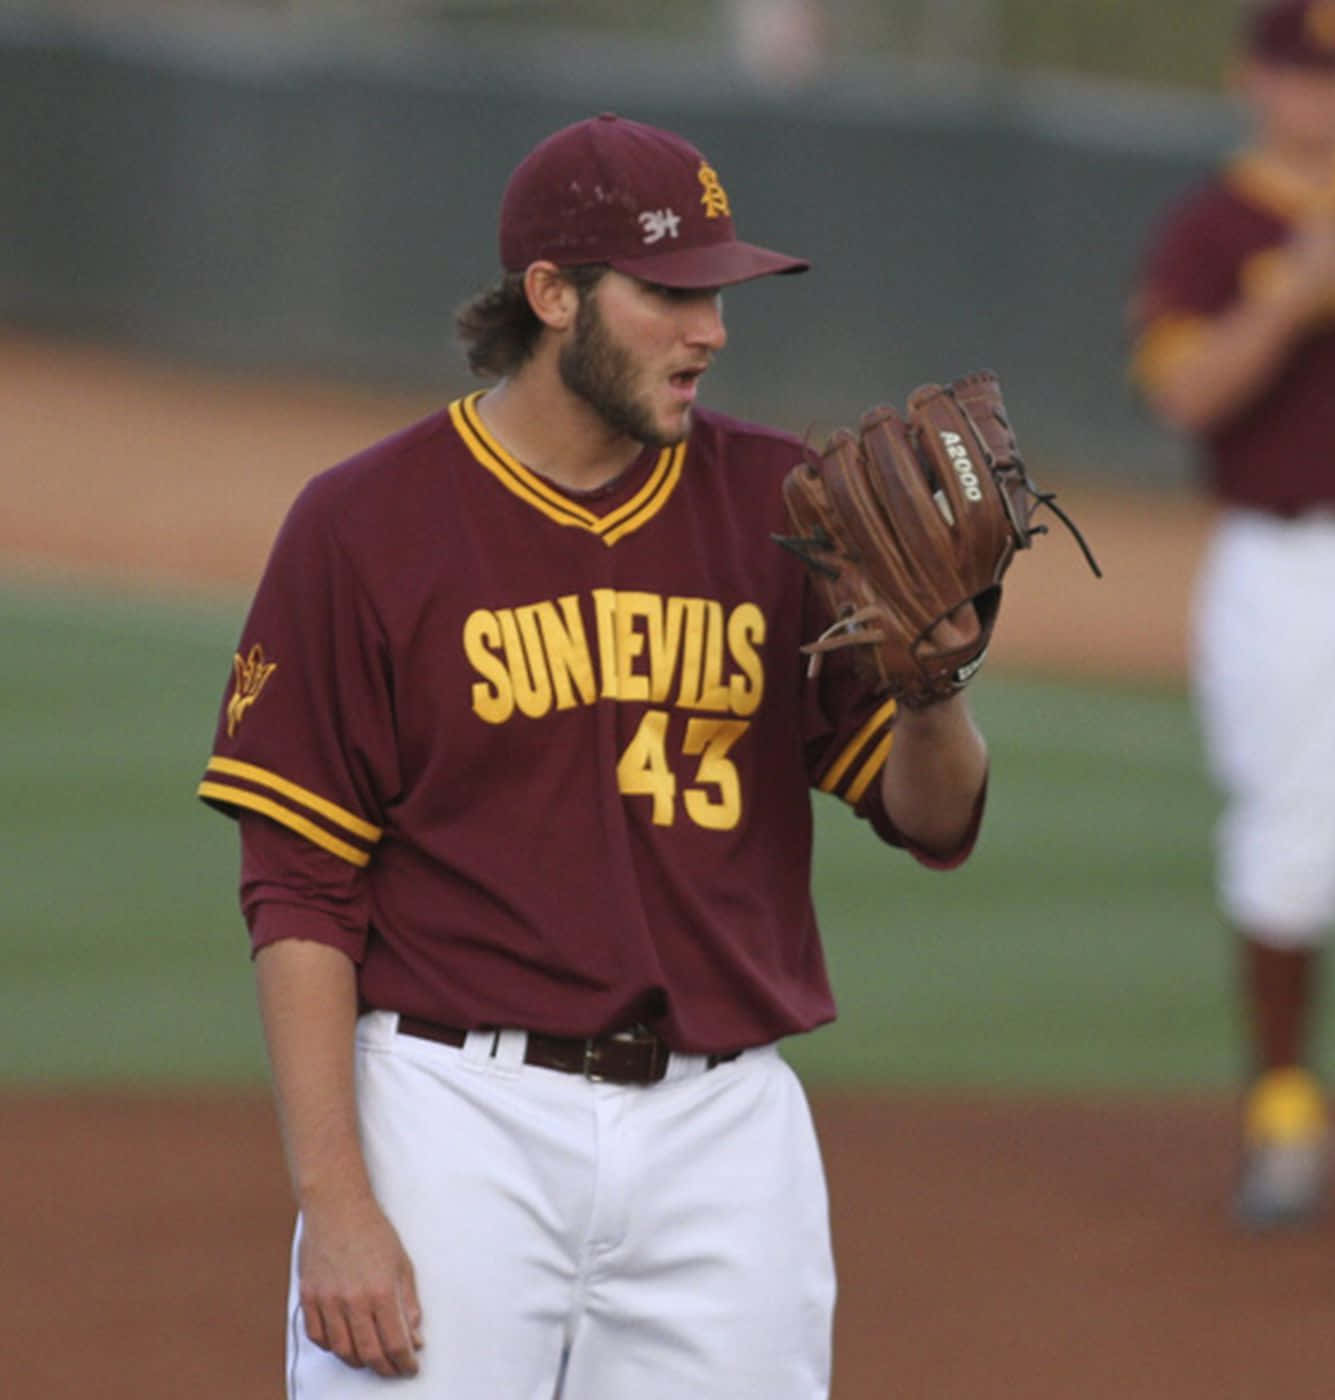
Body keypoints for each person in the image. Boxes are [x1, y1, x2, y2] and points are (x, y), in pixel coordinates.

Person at [197, 112, 989, 1396]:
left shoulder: (785, 509)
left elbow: (933, 818)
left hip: (725, 1137)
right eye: (671, 292)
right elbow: (296, 884)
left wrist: (934, 687)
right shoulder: (365, 524)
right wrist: (335, 1200)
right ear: (552, 294)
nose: (711, 332)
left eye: (720, 293)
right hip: (457, 1114)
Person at [1129, 0, 1335, 1229]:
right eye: (1301, 73)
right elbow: (1185, 389)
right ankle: (1281, 1113)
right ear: (1253, 79)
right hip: (1280, 562)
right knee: (1292, 833)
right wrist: (1297, 292)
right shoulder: (1212, 227)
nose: (1322, 97)